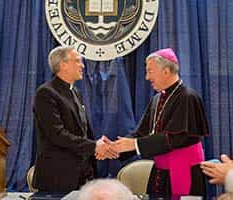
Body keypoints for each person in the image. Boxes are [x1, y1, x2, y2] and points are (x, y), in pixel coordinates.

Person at [103, 48, 209, 196]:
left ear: (166, 71)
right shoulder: (157, 99)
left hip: (184, 170)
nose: (147, 77)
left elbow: (176, 138)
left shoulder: (187, 97)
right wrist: (117, 148)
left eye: (150, 71)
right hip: (161, 170)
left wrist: (134, 144)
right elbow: (142, 132)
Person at [32, 46, 118, 193]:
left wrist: (96, 149)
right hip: (57, 177)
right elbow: (57, 135)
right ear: (63, 65)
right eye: (78, 61)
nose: (82, 65)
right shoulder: (46, 93)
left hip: (83, 175)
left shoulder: (75, 92)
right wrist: (94, 146)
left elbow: (82, 131)